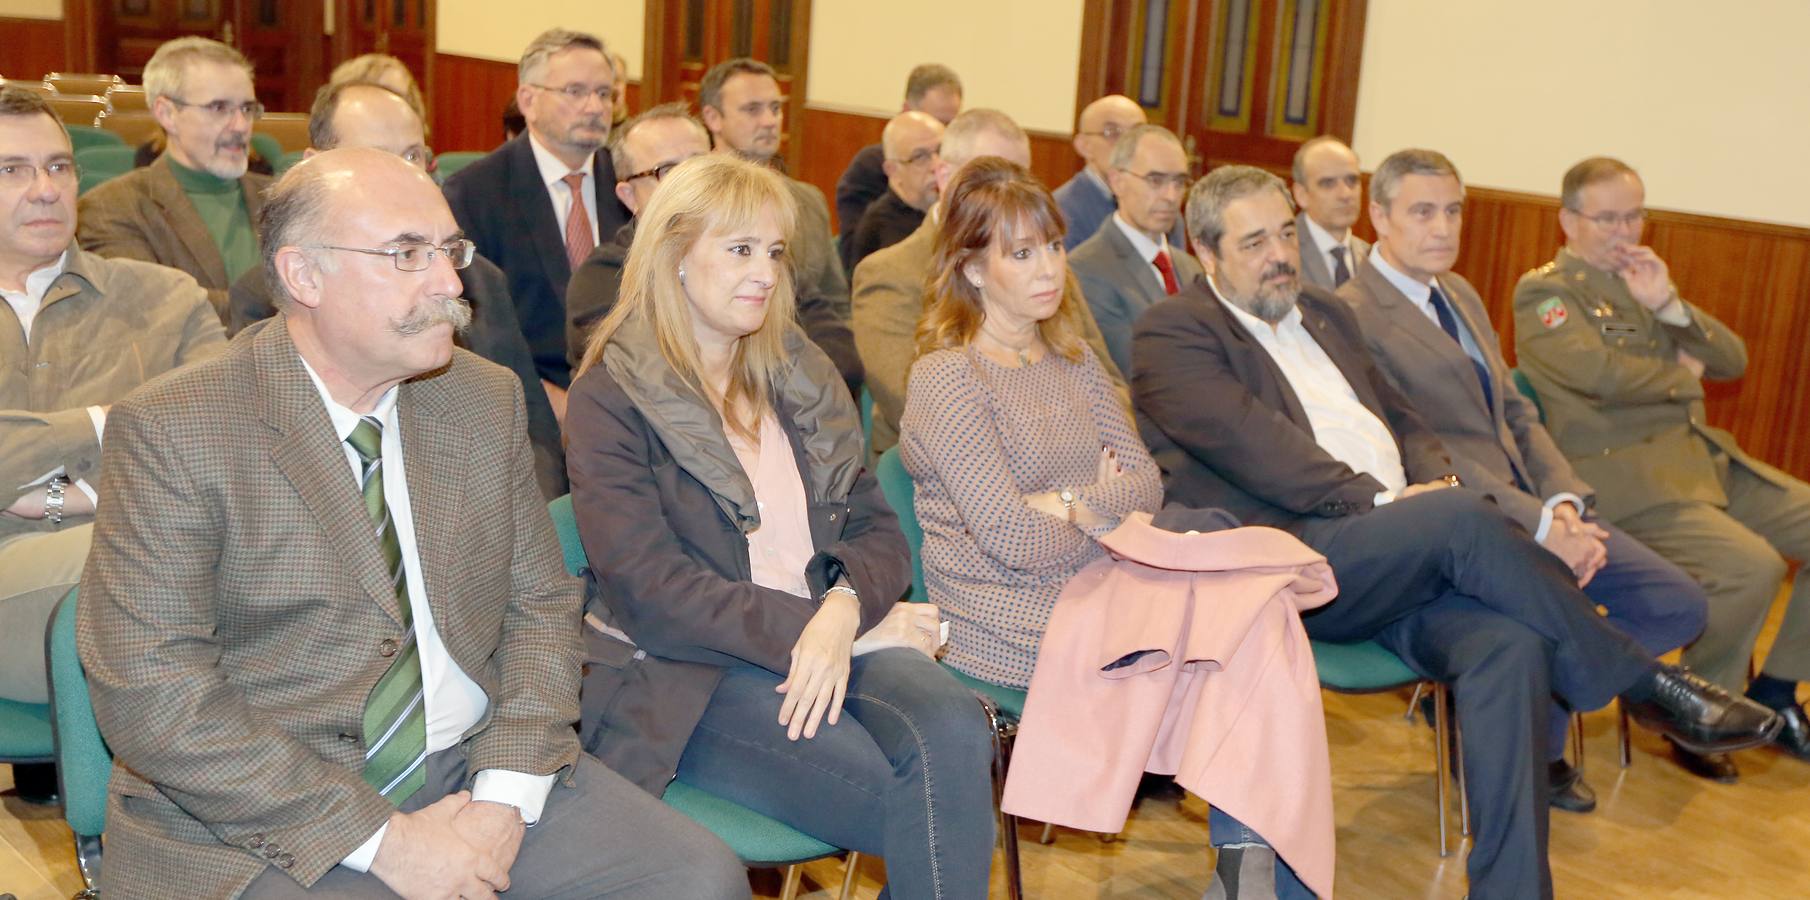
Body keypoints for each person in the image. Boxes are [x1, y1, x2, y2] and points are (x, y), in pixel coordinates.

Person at [76, 147, 745, 900]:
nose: (449, 282)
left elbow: (540, 612)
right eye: (407, 254)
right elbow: (154, 692)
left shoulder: (476, 397)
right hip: (262, 804)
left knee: (696, 877)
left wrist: (504, 796)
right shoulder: (176, 428)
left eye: (449, 250)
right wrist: (384, 840)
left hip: (468, 762)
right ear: (303, 276)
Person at [1131, 164, 1780, 900]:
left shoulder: (1325, 313)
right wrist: (1398, 503)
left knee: (1512, 642)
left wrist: (1432, 485)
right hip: (1306, 562)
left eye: (1286, 233)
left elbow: (1408, 419)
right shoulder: (1175, 332)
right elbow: (1261, 451)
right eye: (1254, 243)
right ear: (1206, 252)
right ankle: (1644, 681)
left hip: (1412, 553)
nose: (1280, 254)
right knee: (1460, 517)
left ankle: (1514, 889)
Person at [564, 153, 994, 899]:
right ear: (673, 257)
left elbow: (878, 531)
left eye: (773, 252)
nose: (764, 273)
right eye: (739, 251)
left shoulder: (795, 371)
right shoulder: (612, 396)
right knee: (922, 805)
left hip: (832, 635)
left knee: (958, 730)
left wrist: (844, 609)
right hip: (690, 672)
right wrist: (830, 626)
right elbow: (655, 595)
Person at [899, 156, 1319, 899]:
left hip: (1105, 579)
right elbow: (1009, 541)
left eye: (1053, 247)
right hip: (1000, 613)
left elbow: (1145, 486)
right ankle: (1252, 877)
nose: (1048, 268)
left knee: (1262, 621)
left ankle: (1247, 875)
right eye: (1020, 253)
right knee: (1248, 640)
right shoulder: (948, 377)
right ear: (970, 267)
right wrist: (1090, 499)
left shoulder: (1072, 357)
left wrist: (1058, 503)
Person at [1338, 149, 1709, 809]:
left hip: (1534, 503)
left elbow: (1515, 410)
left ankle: (1528, 711)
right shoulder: (1355, 313)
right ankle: (1524, 740)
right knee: (1542, 610)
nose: (1442, 228)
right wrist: (1540, 525)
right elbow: (1424, 448)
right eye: (1422, 212)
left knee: (1677, 601)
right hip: (1465, 518)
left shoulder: (1459, 291)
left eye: (1452, 210)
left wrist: (1561, 501)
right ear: (1378, 216)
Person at [1514, 156, 1810, 780]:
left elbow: (1732, 360)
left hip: (1698, 459)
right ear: (1568, 221)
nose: (1625, 231)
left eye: (1635, 215)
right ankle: (1696, 713)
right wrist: (1681, 378)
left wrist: (1671, 305)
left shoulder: (1641, 281)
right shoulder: (1545, 292)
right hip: (1628, 478)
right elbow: (1595, 375)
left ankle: (1777, 696)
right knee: (1750, 569)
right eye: (1608, 218)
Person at [0, 85, 226, 760]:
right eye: (11, 170)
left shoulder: (162, 297)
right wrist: (117, 420)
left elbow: (221, 439)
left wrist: (78, 495)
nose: (45, 189)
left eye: (59, 166)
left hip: (149, 552)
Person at [226, 80, 568, 499]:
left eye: (413, 155)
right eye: (376, 157)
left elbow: (536, 436)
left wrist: (538, 516)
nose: (404, 174)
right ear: (314, 167)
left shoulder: (479, 280)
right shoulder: (267, 293)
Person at [852, 108, 1124, 458]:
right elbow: (916, 407)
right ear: (944, 176)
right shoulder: (890, 274)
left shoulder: (1049, 268)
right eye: (990, 182)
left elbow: (1110, 384)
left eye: (1021, 182)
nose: (1011, 197)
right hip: (944, 478)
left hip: (1078, 465)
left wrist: (1108, 454)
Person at [444, 28, 632, 418]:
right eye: (575, 92)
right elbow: (476, 329)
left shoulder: (628, 184)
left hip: (629, 398)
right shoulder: (476, 192)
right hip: (526, 402)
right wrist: (552, 404)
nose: (595, 107)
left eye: (604, 93)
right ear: (528, 100)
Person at [699, 57, 862, 395]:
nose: (770, 121)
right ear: (713, 118)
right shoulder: (696, 201)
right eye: (753, 109)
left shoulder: (808, 201)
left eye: (775, 108)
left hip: (811, 369)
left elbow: (835, 301)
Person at [77, 36, 268, 324]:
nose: (241, 125)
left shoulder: (282, 196)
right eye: (219, 108)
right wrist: (286, 308)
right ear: (167, 114)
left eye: (247, 108)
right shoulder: (110, 208)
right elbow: (155, 310)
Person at [1069, 123, 1201, 376]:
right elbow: (1132, 367)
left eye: (1179, 182)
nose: (1171, 196)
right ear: (1117, 181)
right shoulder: (1086, 268)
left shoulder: (1189, 266)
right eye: (1156, 180)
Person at [835, 63, 963, 251]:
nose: (935, 164)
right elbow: (854, 255)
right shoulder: (870, 168)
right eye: (920, 157)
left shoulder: (954, 164)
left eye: (952, 125)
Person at [1054, 94, 1183, 251]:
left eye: (1137, 133)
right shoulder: (1061, 210)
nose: (1126, 143)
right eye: (1113, 132)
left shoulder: (1162, 205)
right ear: (1084, 146)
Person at [841, 110, 942, 273]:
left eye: (940, 151)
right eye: (920, 157)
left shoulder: (948, 211)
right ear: (892, 170)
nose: (936, 165)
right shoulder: (883, 229)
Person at [1289, 137, 1369, 290]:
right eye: (1328, 183)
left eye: (1352, 180)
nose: (1345, 194)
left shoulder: (1371, 257)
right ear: (1301, 194)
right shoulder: (1284, 251)